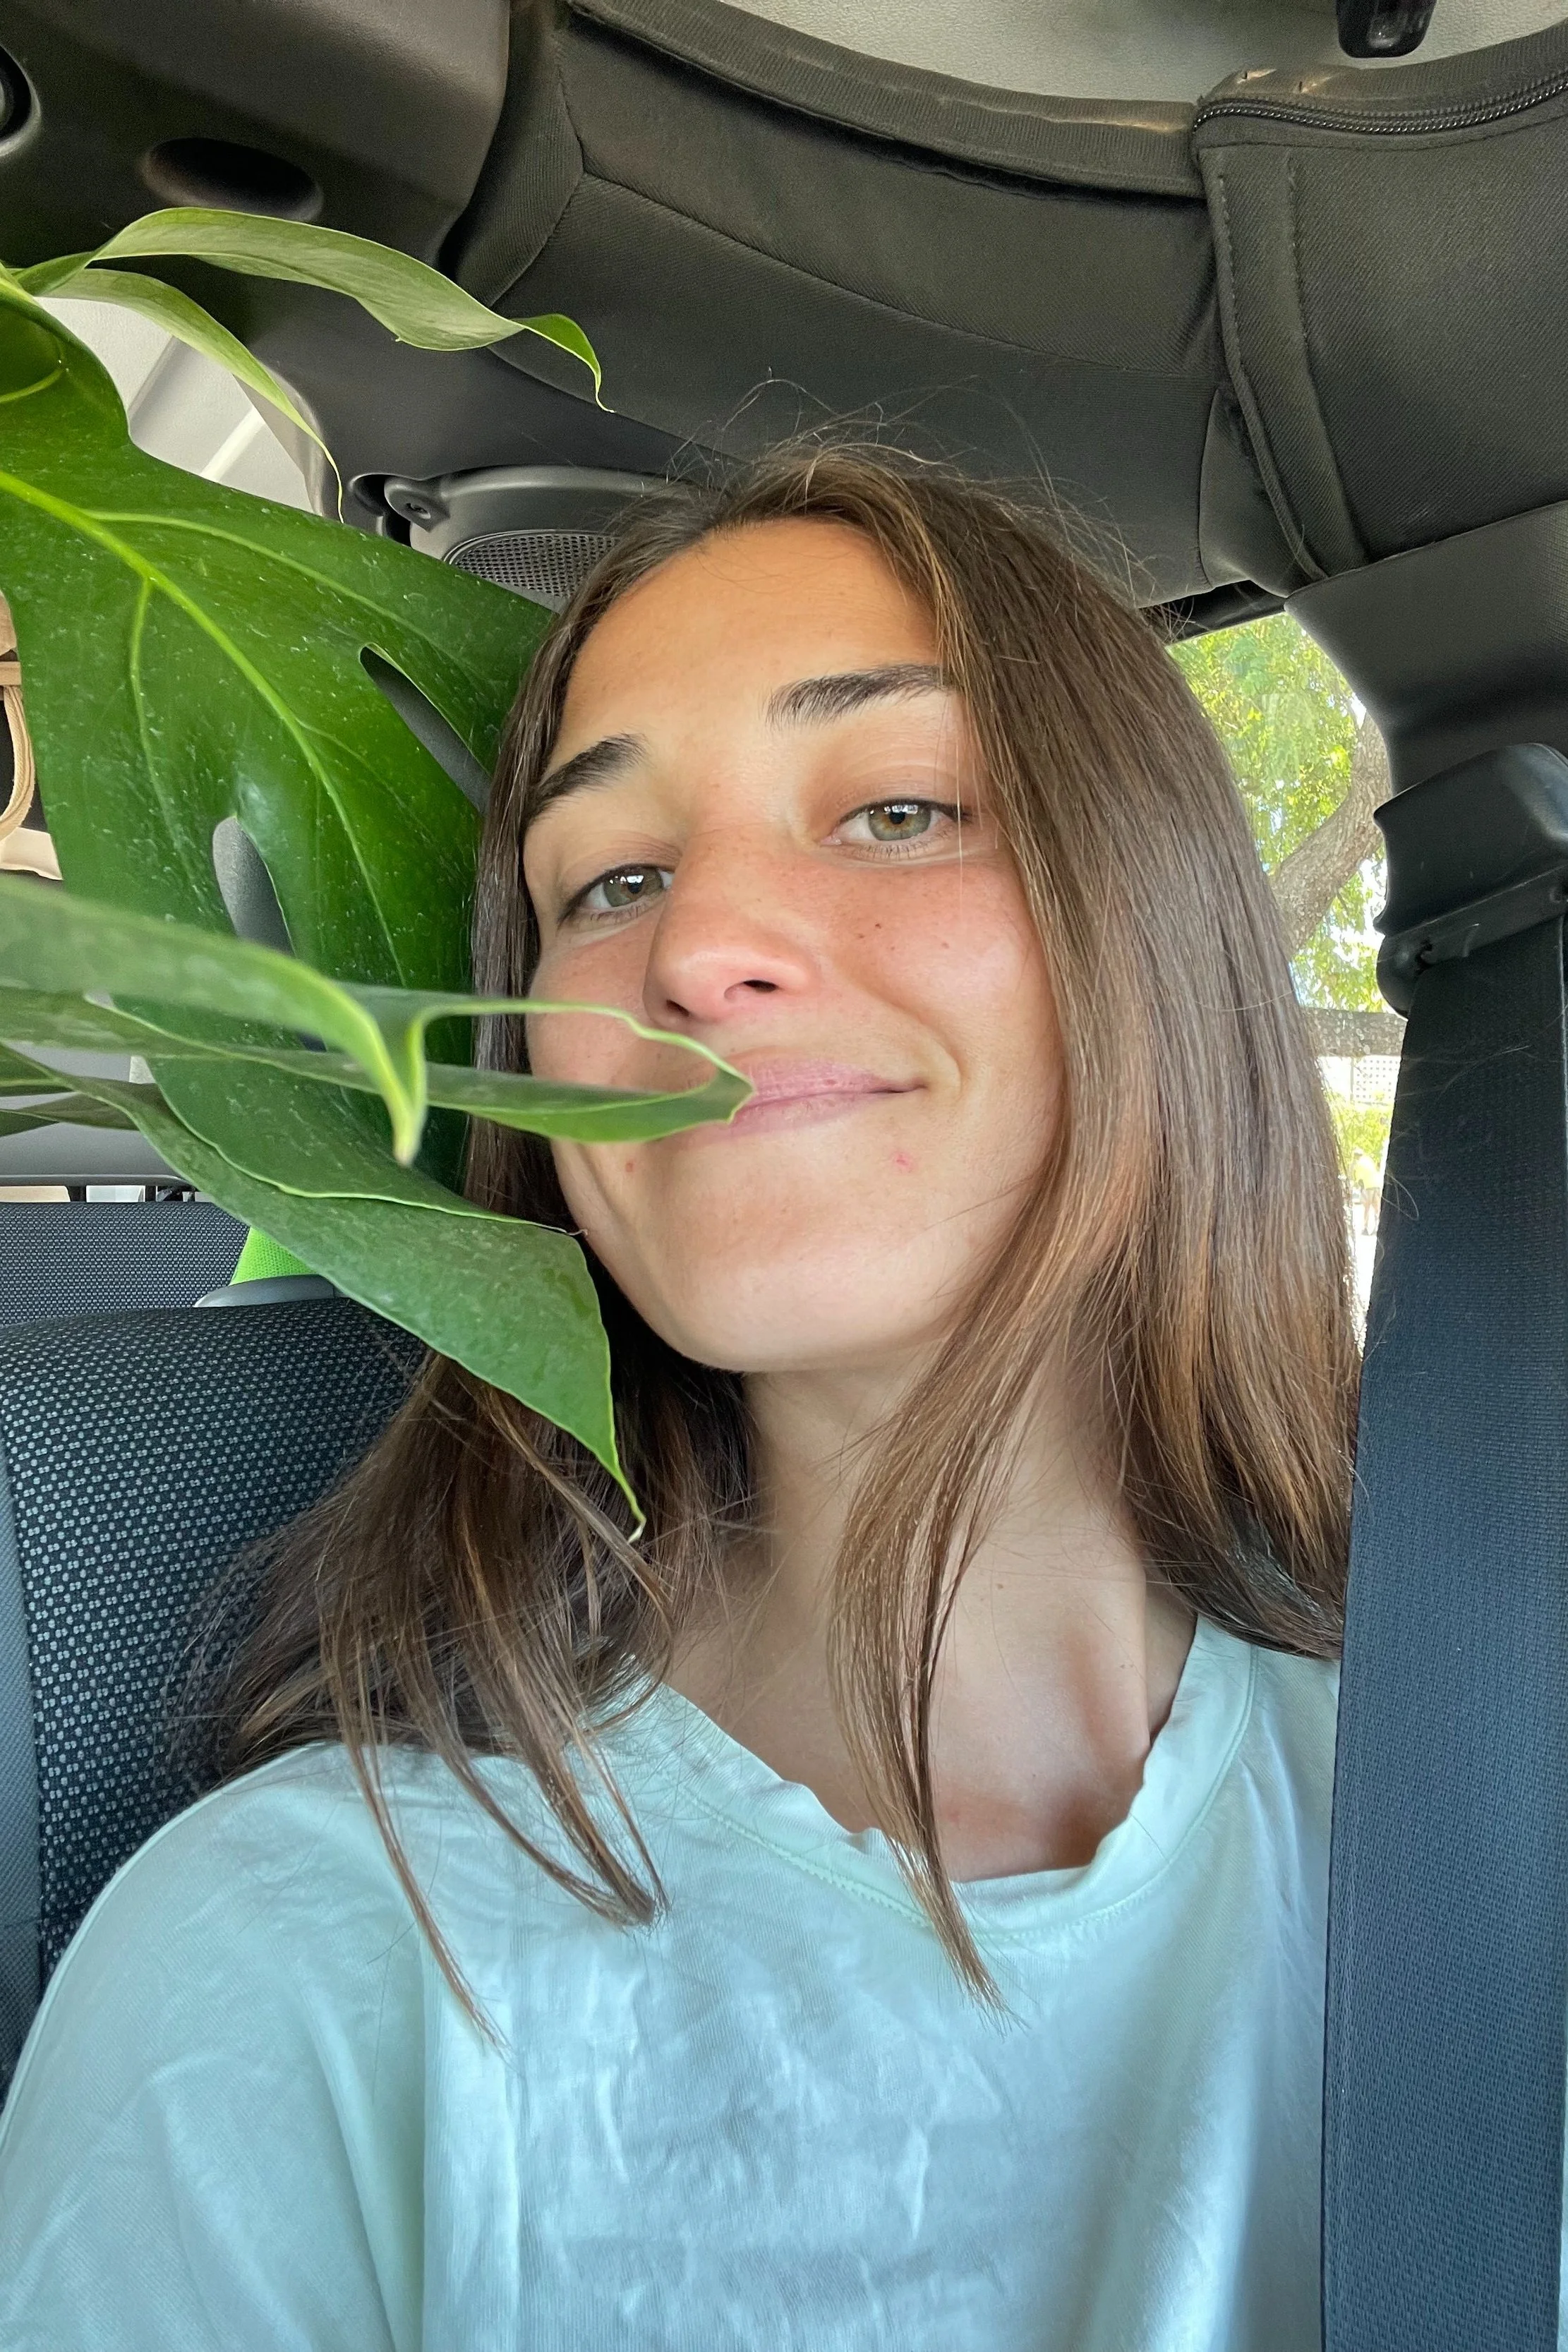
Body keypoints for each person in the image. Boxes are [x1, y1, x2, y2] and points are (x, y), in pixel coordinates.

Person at [0, 445, 1355, 2350]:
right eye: (609, 878)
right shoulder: (300, 1965)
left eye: (895, 807)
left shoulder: (1480, 1833)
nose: (697, 948)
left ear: (1157, 917)